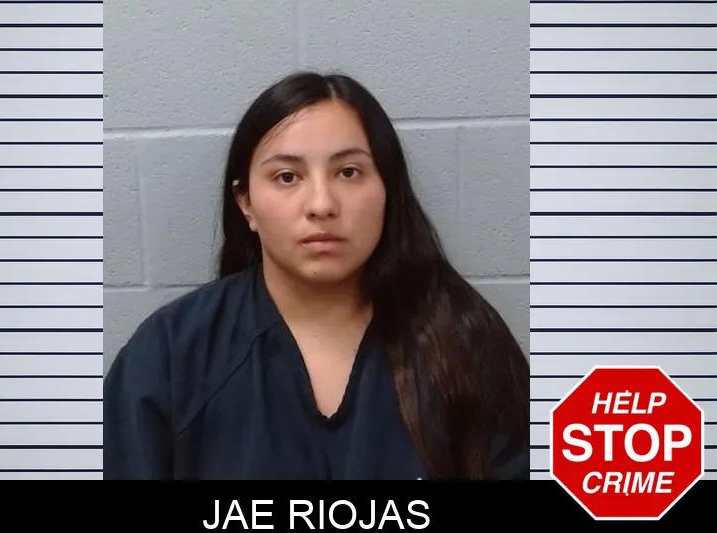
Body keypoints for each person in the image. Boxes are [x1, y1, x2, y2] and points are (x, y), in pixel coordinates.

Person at [103, 71, 530, 480]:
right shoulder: (171, 356)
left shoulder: (464, 340)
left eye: (348, 172)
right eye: (287, 177)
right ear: (246, 203)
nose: (322, 204)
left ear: (388, 189)